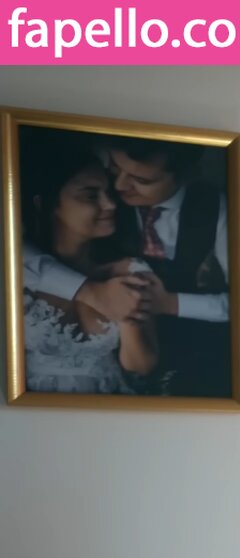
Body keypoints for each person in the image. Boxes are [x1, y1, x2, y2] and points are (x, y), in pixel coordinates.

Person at [17, 130, 160, 395]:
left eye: (108, 193)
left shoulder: (128, 269)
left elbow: (141, 367)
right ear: (46, 204)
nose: (110, 204)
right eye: (91, 195)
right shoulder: (19, 272)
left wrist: (127, 317)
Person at [102, 137, 231, 397]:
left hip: (195, 362)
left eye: (142, 180)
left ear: (184, 177)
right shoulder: (101, 199)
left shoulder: (217, 208)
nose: (119, 185)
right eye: (116, 168)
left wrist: (170, 303)